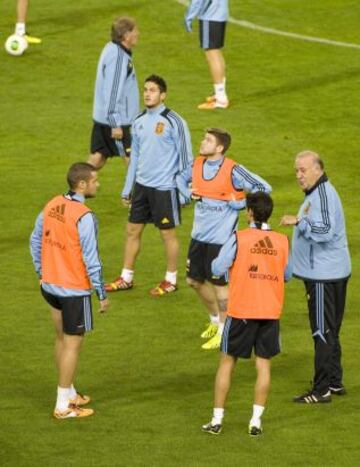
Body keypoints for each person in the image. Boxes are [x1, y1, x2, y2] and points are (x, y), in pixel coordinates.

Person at [202, 192, 292, 435]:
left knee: (227, 362)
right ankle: (255, 422)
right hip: (270, 312)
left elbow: (217, 267)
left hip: (242, 310)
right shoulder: (283, 241)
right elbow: (287, 274)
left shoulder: (239, 238)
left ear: (250, 212)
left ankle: (217, 420)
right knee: (263, 366)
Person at [30, 162, 109, 419]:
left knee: (61, 339)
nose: (98, 184)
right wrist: (101, 293)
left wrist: (41, 271)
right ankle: (63, 405)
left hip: (50, 286)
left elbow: (35, 238)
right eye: (95, 180)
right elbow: (92, 258)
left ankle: (70, 391)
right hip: (74, 290)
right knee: (73, 345)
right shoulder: (84, 216)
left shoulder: (52, 203)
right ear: (82, 184)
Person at [105, 75, 193, 296]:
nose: (147, 93)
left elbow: (186, 160)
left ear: (163, 95)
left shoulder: (175, 121)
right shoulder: (139, 121)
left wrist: (184, 192)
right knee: (132, 230)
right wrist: (128, 188)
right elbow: (135, 158)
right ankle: (126, 277)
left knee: (167, 234)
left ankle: (171, 279)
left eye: (153, 90)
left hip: (165, 188)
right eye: (145, 89)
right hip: (142, 188)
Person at [186, 128, 271, 350]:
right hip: (198, 235)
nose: (203, 142)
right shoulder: (197, 165)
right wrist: (186, 192)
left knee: (220, 288)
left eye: (208, 140)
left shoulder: (233, 169)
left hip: (221, 240)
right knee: (193, 281)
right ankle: (215, 320)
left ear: (219, 148)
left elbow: (264, 187)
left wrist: (242, 202)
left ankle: (225, 333)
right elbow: (180, 179)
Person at [281, 151, 351, 403]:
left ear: (318, 169)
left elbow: (325, 231)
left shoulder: (321, 195)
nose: (299, 176)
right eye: (296, 171)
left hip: (324, 275)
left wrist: (299, 222)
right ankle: (334, 381)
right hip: (332, 271)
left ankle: (320, 390)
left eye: (303, 170)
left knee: (322, 331)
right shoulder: (320, 192)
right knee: (331, 330)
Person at [88, 17, 140, 170]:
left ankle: (75, 190)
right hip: (117, 120)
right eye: (135, 30)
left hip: (105, 117)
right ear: (125, 35)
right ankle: (140, 194)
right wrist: (115, 123)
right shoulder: (118, 58)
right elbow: (112, 91)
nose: (138, 34)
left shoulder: (111, 49)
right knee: (134, 161)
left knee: (98, 158)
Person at [185, 0, 229, 109]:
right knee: (216, 52)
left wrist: (190, 15)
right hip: (221, 14)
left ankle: (221, 99)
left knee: (212, 54)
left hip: (210, 15)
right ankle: (220, 94)